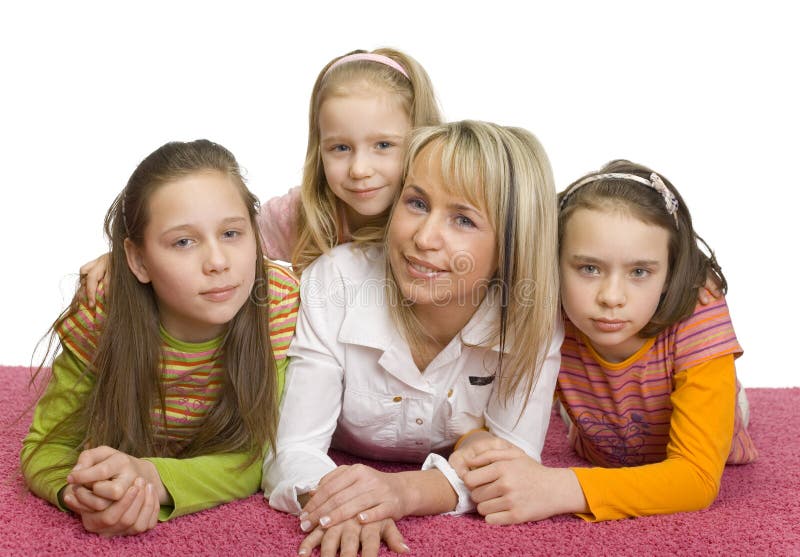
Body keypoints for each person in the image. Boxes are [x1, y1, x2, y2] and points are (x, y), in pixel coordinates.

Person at [263, 120, 563, 556]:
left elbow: (513, 462)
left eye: (463, 219)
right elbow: (293, 445)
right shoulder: (337, 281)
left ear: (512, 244)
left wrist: (402, 493)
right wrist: (343, 502)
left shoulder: (531, 314)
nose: (423, 238)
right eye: (417, 203)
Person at [20, 140, 300, 536]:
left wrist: (149, 477)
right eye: (184, 242)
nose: (218, 262)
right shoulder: (102, 312)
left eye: (232, 233)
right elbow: (46, 447)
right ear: (136, 259)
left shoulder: (277, 303)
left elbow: (258, 458)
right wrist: (79, 493)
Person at [453, 160, 757, 524]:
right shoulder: (548, 310)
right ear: (555, 261)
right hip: (598, 425)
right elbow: (480, 415)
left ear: (670, 273)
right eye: (589, 269)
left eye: (640, 272)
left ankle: (729, 394)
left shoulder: (699, 312)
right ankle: (568, 406)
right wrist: (474, 442)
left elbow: (696, 478)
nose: (611, 297)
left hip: (689, 380)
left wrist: (557, 488)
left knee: (726, 406)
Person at [77, 47, 442, 302]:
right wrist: (126, 259)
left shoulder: (436, 220)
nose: (360, 170)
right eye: (340, 148)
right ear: (320, 148)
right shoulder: (305, 212)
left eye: (383, 146)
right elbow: (217, 231)